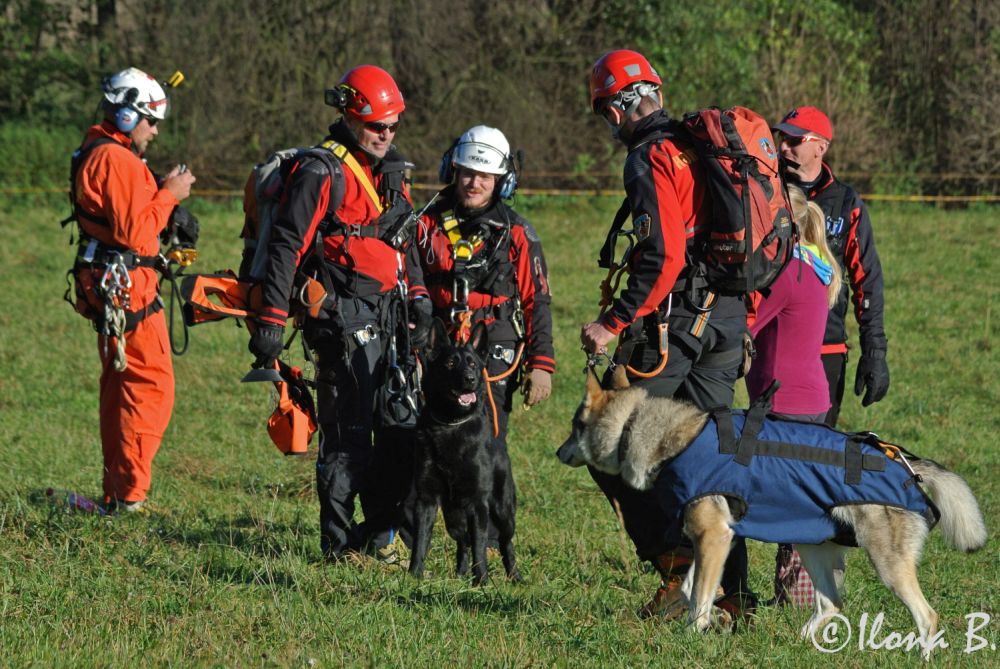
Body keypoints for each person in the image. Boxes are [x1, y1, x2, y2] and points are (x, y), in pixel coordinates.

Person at [579, 50, 753, 623]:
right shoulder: (697, 146)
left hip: (675, 324)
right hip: (726, 321)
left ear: (624, 104)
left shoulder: (650, 155)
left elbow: (663, 256)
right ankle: (731, 597)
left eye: (608, 111)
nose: (610, 125)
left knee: (609, 445)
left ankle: (680, 577)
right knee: (710, 460)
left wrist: (612, 323)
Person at [248, 65, 429, 563]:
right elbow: (287, 246)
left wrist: (418, 297)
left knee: (395, 427)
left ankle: (381, 535)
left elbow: (404, 240)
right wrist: (270, 320)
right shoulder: (320, 171)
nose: (385, 135)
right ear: (349, 118)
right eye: (376, 127)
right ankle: (338, 544)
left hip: (390, 315)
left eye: (392, 126)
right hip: (340, 318)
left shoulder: (391, 172)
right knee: (347, 434)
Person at [69, 67, 195, 513]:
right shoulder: (116, 160)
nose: (156, 130)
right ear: (126, 117)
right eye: (150, 120)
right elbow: (135, 233)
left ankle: (119, 491)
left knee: (123, 390)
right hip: (128, 293)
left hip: (120, 288)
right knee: (148, 390)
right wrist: (170, 195)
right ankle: (129, 496)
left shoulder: (106, 151)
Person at [415, 123, 555, 472]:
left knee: (488, 443)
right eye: (467, 174)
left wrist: (541, 364)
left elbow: (536, 300)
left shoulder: (517, 233)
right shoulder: (423, 224)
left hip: (493, 340)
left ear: (500, 182)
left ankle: (487, 524)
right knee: (421, 435)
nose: (474, 184)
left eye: (485, 177)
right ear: (453, 171)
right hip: (435, 340)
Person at [745, 185, 842, 607]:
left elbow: (745, 324)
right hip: (808, 398)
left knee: (776, 498)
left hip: (784, 404)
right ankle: (804, 592)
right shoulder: (815, 267)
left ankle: (806, 594)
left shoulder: (786, 274)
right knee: (803, 495)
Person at [772, 106, 889, 427]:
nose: (783, 146)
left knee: (816, 452)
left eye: (794, 140)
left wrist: (874, 352)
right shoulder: (767, 192)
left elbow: (868, 281)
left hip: (826, 346)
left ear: (820, 147)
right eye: (782, 137)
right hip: (772, 341)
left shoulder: (846, 202)